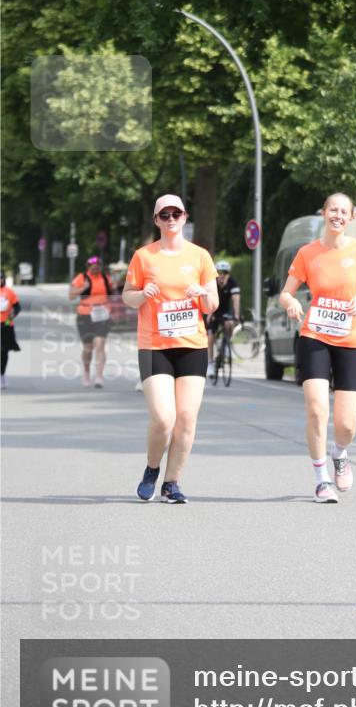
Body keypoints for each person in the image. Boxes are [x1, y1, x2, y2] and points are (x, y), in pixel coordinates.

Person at [279, 192, 356, 504]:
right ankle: (322, 479)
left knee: (346, 424)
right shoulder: (307, 253)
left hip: (353, 339)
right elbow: (285, 293)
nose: (337, 215)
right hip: (316, 336)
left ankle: (339, 452)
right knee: (316, 410)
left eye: (343, 211)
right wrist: (292, 301)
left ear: (351, 218)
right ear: (324, 213)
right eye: (332, 209)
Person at [122, 194, 218, 504]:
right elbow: (127, 296)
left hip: (191, 346)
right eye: (165, 214)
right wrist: (142, 294)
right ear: (157, 220)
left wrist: (202, 292)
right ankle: (152, 468)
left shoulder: (200, 256)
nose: (171, 218)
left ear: (185, 217)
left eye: (176, 213)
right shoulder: (144, 257)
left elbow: (212, 304)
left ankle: (172, 483)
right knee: (164, 418)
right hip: (154, 346)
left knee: (187, 418)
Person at [69, 256, 113, 387]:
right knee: (88, 348)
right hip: (85, 315)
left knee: (100, 345)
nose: (95, 268)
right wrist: (83, 287)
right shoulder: (81, 278)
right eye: (92, 266)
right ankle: (86, 371)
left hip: (102, 315)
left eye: (98, 265)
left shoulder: (105, 278)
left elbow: (113, 292)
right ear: (87, 267)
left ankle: (99, 377)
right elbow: (71, 296)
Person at [206, 260, 241, 377]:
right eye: (219, 273)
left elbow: (236, 299)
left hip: (226, 311)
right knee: (210, 338)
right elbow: (208, 299)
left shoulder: (232, 283)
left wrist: (236, 315)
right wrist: (210, 315)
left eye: (224, 273)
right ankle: (210, 363)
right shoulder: (212, 283)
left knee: (230, 324)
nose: (221, 275)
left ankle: (226, 344)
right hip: (213, 311)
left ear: (228, 274)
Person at [1, 272, 21, 389]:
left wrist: (13, 314)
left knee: (4, 351)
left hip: (7, 323)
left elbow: (17, 306)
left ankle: (2, 375)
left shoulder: (9, 292)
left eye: (1, 278)